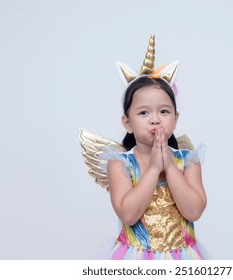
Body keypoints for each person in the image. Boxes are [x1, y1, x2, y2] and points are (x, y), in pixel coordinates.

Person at [82, 34, 207, 259]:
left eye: (164, 111)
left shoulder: (188, 161)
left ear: (176, 119)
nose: (155, 119)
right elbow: (128, 215)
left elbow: (194, 211)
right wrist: (153, 169)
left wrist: (169, 166)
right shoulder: (120, 164)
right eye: (143, 112)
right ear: (127, 123)